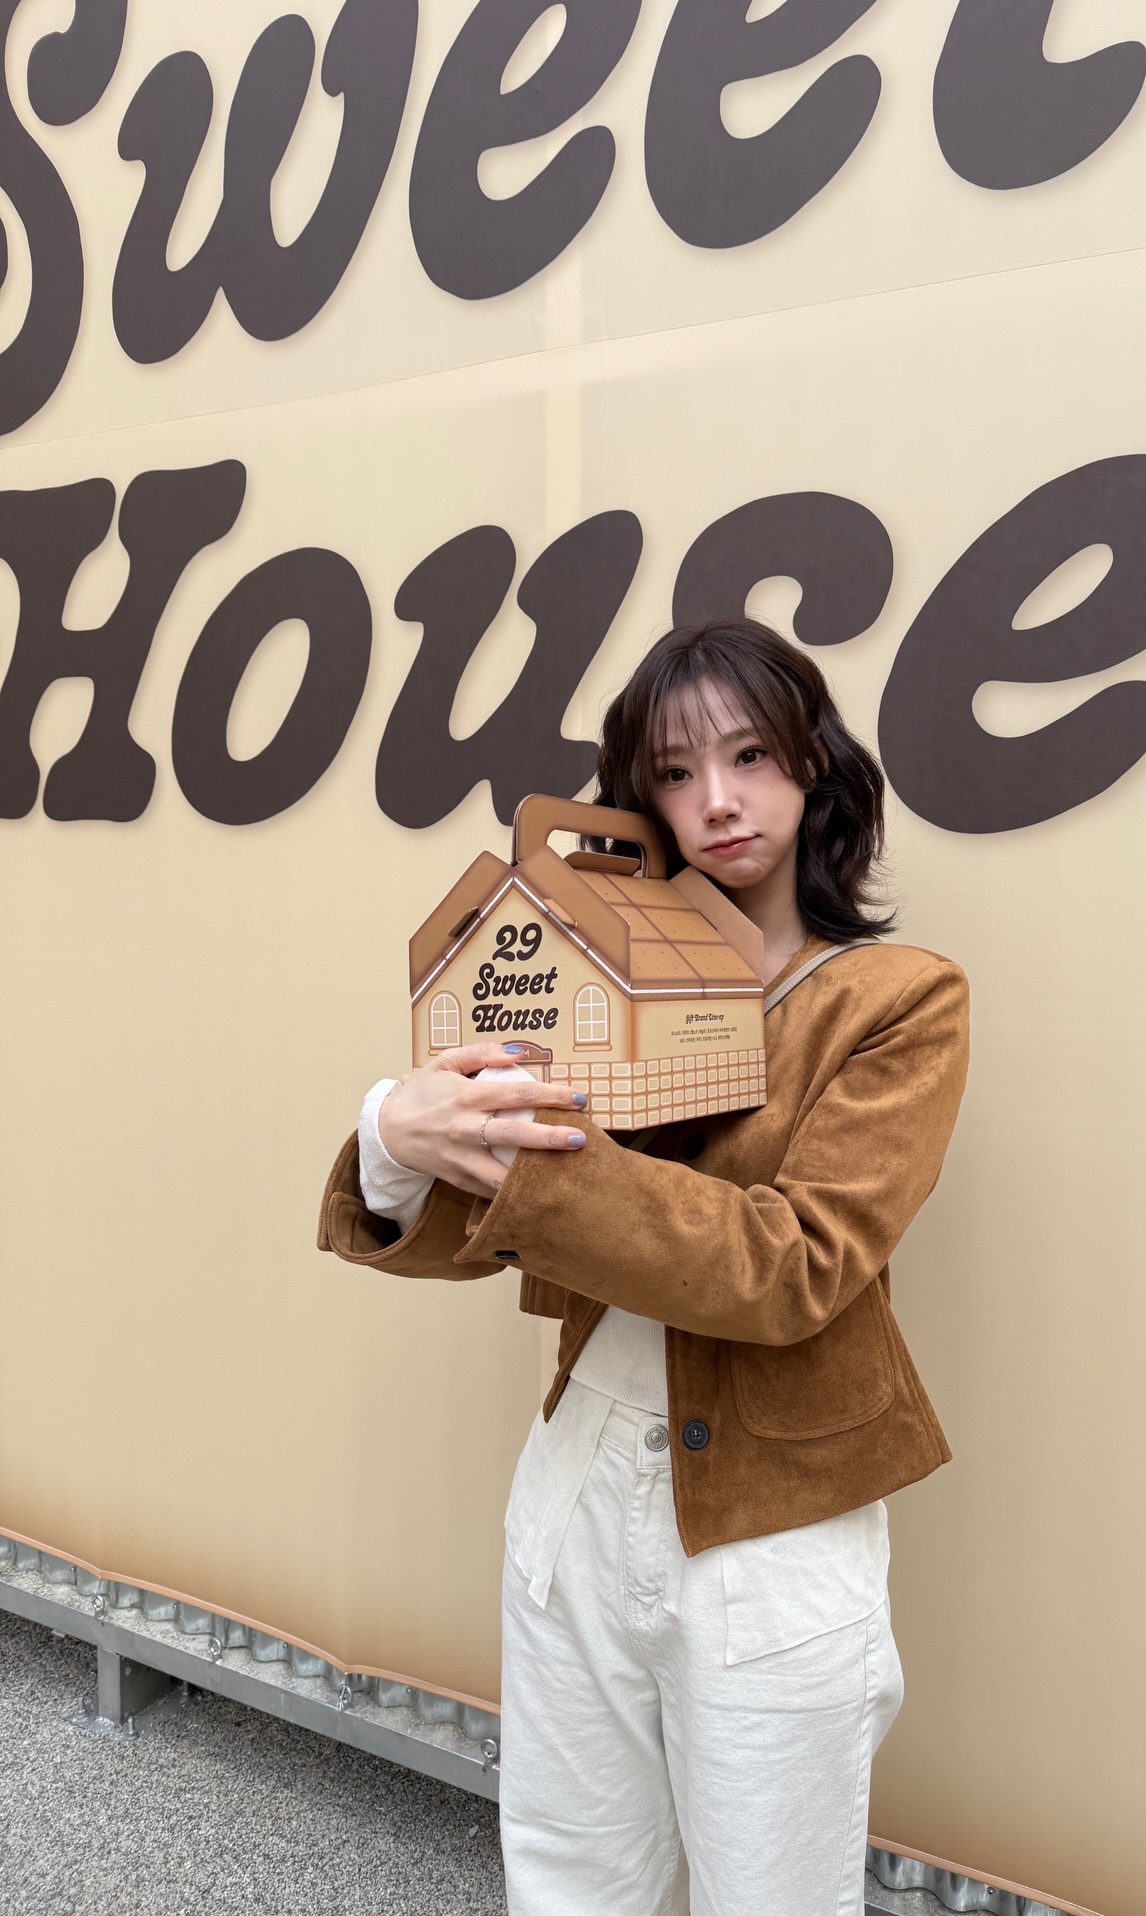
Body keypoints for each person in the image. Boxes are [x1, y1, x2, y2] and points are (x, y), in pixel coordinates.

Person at [317, 617, 970, 1916]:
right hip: (578, 1475)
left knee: (770, 1894)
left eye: (750, 755)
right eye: (675, 771)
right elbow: (514, 1225)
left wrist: (542, 1159)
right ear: (640, 800)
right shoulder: (601, 979)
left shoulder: (895, 998)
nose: (716, 799)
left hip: (770, 1520)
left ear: (815, 764)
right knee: (569, 1873)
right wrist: (399, 1141)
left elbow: (795, 1264)